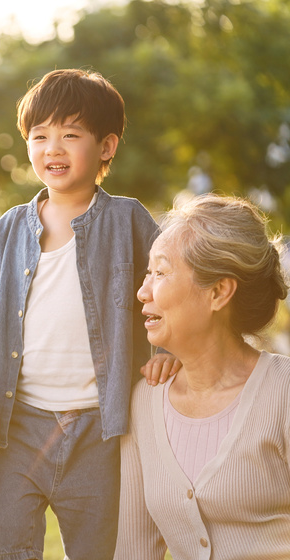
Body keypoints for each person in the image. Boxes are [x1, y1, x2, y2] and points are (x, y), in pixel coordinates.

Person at [0, 68, 178, 559]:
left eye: (71, 135)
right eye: (40, 136)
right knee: (2, 544)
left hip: (101, 428)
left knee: (99, 549)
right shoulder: (9, 229)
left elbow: (165, 291)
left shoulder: (128, 219)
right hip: (20, 425)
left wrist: (166, 351)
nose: (54, 148)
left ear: (106, 146)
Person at [115, 194, 290, 558]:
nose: (142, 291)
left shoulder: (283, 392)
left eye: (160, 273)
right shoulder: (144, 402)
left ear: (219, 292)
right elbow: (133, 551)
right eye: (148, 273)